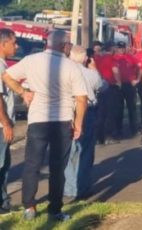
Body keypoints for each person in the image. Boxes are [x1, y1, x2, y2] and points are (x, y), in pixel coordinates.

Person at [3, 30, 88, 221]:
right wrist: (79, 124)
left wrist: (22, 92)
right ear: (64, 46)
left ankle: (29, 207)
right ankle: (55, 209)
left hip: (37, 120)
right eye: (69, 45)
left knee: (32, 164)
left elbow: (7, 76)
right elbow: (81, 99)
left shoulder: (31, 60)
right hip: (62, 121)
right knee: (57, 168)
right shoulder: (72, 67)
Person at [64, 45, 104, 200]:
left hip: (67, 112)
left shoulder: (63, 72)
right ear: (86, 58)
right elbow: (102, 87)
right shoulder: (91, 74)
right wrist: (94, 69)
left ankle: (70, 187)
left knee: (68, 152)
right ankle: (82, 187)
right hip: (87, 113)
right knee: (85, 152)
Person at [0, 29, 17, 214]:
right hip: (0, 125)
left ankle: (4, 203)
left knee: (4, 164)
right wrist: (5, 124)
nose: (16, 46)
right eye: (14, 42)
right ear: (3, 44)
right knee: (1, 164)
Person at [95, 42, 121, 144]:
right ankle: (108, 136)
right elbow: (115, 71)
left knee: (101, 113)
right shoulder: (112, 59)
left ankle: (99, 137)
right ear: (112, 49)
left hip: (101, 86)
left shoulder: (98, 59)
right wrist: (119, 84)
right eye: (115, 48)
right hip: (111, 86)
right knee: (110, 113)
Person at [115, 41, 139, 135]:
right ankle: (118, 129)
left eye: (122, 48)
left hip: (129, 84)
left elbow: (138, 68)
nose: (121, 49)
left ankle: (134, 128)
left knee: (132, 107)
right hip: (119, 85)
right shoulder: (114, 58)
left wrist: (137, 79)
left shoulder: (130, 58)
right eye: (119, 48)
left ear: (125, 48)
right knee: (118, 108)